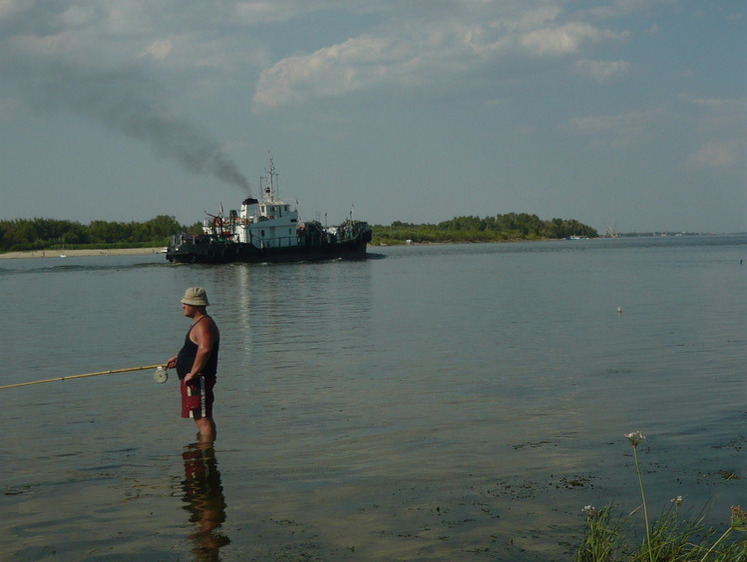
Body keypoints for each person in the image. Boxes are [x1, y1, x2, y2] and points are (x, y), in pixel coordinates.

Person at [166, 287, 220, 442]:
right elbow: (198, 349)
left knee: (202, 418)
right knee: (200, 417)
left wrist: (194, 372)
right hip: (196, 379)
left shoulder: (204, 323)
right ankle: (204, 449)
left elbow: (204, 349)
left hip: (198, 379)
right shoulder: (200, 323)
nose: (183, 305)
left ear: (195, 305)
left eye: (186, 302)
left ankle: (206, 452)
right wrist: (181, 359)